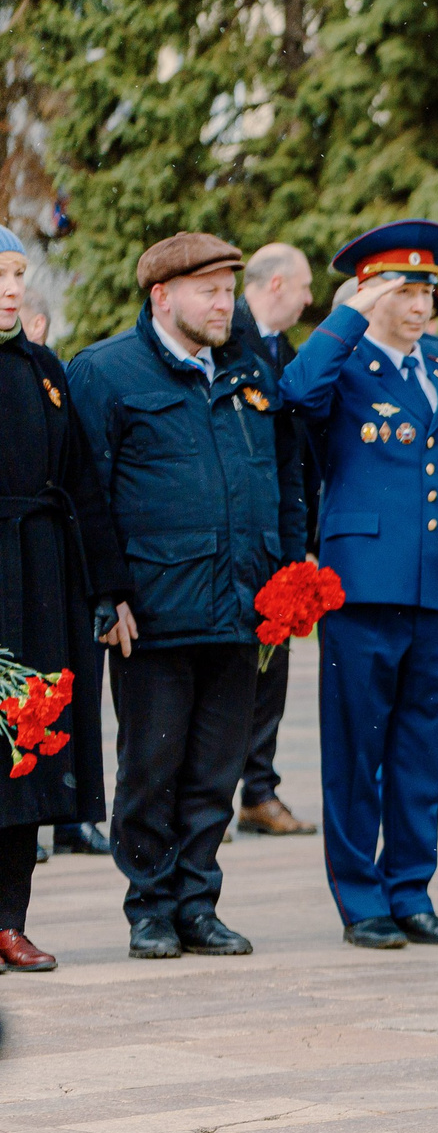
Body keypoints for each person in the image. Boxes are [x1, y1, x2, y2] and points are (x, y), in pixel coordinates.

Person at [68, 233, 304, 959]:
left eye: (230, 289)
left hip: (242, 607)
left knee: (216, 770)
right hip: (154, 612)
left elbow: (287, 473)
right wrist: (108, 595)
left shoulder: (252, 368)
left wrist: (289, 571)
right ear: (162, 296)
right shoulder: (106, 371)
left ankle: (199, 902)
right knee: (151, 767)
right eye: (208, 290)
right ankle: (150, 906)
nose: (223, 303)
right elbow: (86, 496)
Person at [278, 222, 438, 949]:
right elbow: (297, 391)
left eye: (427, 287)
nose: (419, 301)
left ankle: (410, 889)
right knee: (356, 749)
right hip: (362, 586)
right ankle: (361, 898)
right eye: (403, 287)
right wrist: (348, 315)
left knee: (417, 751)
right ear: (371, 293)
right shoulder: (344, 362)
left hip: (435, 587)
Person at [0, 229, 133, 969]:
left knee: (28, 743)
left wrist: (109, 588)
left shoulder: (46, 369)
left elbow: (83, 484)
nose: (13, 289)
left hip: (42, 576)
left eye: (18, 273)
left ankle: (9, 919)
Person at [230, 241, 320, 839]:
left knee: (273, 667)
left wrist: (300, 546)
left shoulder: (284, 353)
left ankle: (258, 791)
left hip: (278, 538)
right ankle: (216, 795)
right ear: (278, 284)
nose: (312, 298)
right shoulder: (225, 340)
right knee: (231, 670)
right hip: (232, 535)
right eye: (306, 285)